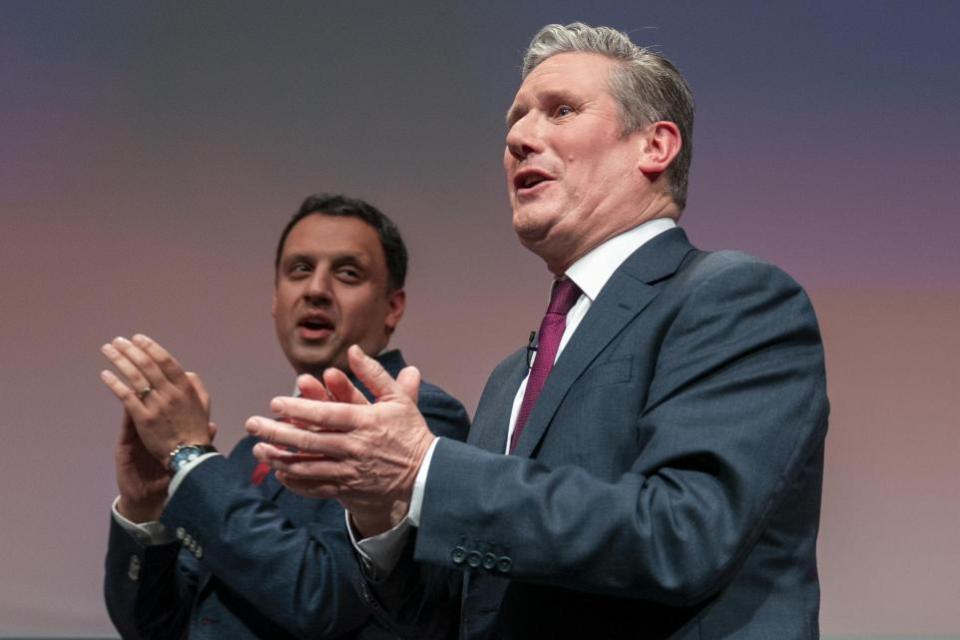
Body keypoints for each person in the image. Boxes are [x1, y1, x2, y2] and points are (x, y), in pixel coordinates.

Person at [247, 23, 829, 639]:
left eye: (561, 111)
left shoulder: (733, 298)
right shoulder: (510, 379)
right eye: (515, 121)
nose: (521, 139)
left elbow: (682, 535)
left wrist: (425, 469)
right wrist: (382, 515)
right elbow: (461, 614)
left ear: (655, 147)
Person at [99, 194, 470, 639]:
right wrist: (145, 510)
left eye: (347, 273)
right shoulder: (244, 458)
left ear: (393, 306)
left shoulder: (420, 419)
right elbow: (156, 627)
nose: (315, 289)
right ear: (276, 299)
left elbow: (323, 596)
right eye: (299, 270)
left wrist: (190, 459)